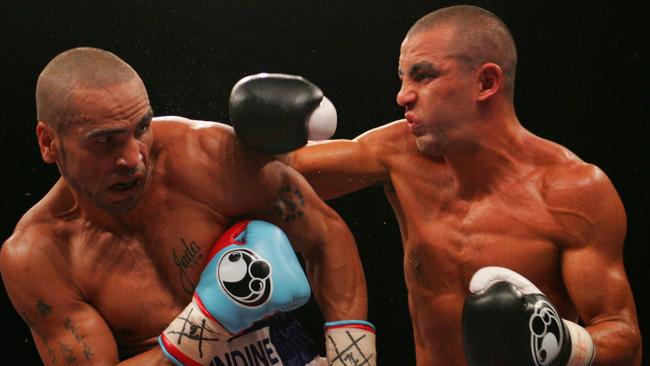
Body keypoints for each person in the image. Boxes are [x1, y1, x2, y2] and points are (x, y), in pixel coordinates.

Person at [282, 5, 642, 365]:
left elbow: (622, 338)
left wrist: (562, 343)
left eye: (423, 76)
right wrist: (259, 127)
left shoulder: (573, 190)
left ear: (486, 82)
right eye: (403, 77)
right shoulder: (398, 152)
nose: (403, 95)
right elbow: (265, 177)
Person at [0, 47, 376, 365]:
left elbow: (325, 235)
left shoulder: (205, 156)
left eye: (142, 127)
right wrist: (202, 325)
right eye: (106, 141)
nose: (134, 158)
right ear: (49, 142)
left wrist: (351, 356)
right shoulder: (39, 256)